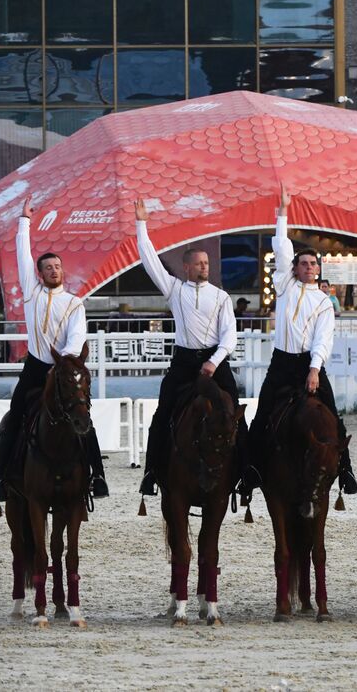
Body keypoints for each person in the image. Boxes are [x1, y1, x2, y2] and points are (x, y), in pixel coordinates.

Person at [240, 187, 357, 496]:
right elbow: (280, 248)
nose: (308, 268)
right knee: (263, 412)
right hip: (282, 361)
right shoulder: (285, 286)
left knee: (332, 414)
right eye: (303, 263)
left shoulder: (323, 302)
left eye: (313, 264)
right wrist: (282, 214)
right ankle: (251, 471)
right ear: (295, 268)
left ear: (319, 270)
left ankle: (345, 470)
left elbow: (323, 338)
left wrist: (315, 369)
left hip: (309, 363)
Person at [0, 198, 107, 502]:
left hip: (65, 369)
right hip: (36, 367)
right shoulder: (32, 293)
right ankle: (0, 478)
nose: (54, 271)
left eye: (58, 267)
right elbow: (21, 254)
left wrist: (64, 363)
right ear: (40, 273)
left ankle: (98, 477)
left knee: (83, 418)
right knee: (14, 416)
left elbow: (77, 336)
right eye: (49, 268)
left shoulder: (74, 303)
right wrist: (24, 221)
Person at [134, 197, 244, 497]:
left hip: (215, 362)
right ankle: (152, 472)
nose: (204, 267)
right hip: (183, 363)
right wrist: (141, 224)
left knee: (235, 413)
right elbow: (149, 260)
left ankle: (245, 474)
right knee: (162, 414)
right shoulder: (174, 289)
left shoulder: (221, 297)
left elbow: (229, 336)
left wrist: (215, 361)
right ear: (186, 266)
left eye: (206, 263)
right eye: (198, 263)